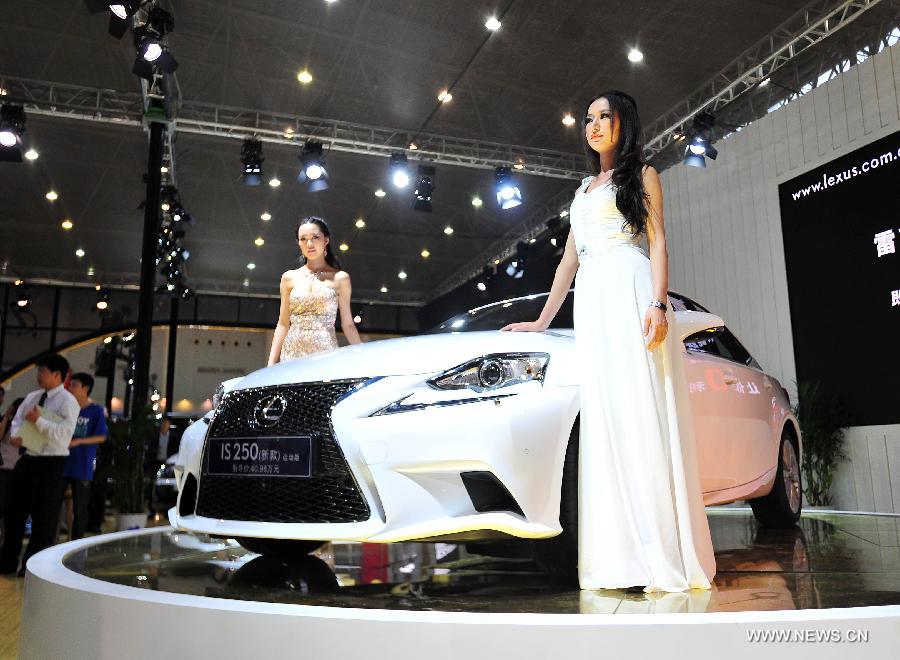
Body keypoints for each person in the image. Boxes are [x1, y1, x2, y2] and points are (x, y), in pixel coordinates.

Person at [502, 91, 716, 593]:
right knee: (606, 423)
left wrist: (658, 303)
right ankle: (619, 560)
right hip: (593, 301)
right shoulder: (580, 191)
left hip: (631, 289)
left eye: (604, 117)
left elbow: (658, 240)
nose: (593, 126)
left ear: (625, 123)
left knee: (640, 415)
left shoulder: (642, 175)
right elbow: (568, 264)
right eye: (588, 119)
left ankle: (658, 555)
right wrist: (541, 321)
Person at [0, 354, 80, 576]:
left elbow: (64, 436)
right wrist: (15, 436)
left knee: (43, 518)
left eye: (42, 372)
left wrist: (39, 421)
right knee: (13, 510)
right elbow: (17, 420)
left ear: (57, 375)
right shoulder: (33, 397)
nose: (38, 376)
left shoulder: (68, 401)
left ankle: (31, 569)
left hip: (51, 463)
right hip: (27, 458)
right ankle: (6, 562)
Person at [267, 216, 362, 365]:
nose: (309, 244)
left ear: (326, 240)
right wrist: (271, 364)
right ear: (298, 242)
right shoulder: (289, 278)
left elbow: (348, 324)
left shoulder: (340, 278)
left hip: (325, 353)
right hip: (292, 354)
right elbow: (283, 323)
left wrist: (363, 356)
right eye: (303, 239)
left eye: (315, 237)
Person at [62, 373, 107, 540]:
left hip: (82, 466)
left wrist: (79, 441)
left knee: (80, 510)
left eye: (74, 385)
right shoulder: (66, 407)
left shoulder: (95, 411)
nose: (70, 387)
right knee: (52, 506)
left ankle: (76, 546)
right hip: (62, 463)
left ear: (85, 389)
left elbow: (102, 436)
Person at [0, 397, 25, 528]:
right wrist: (7, 415)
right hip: (3, 467)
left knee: (10, 507)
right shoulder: (8, 423)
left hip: (17, 470)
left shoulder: (27, 426)